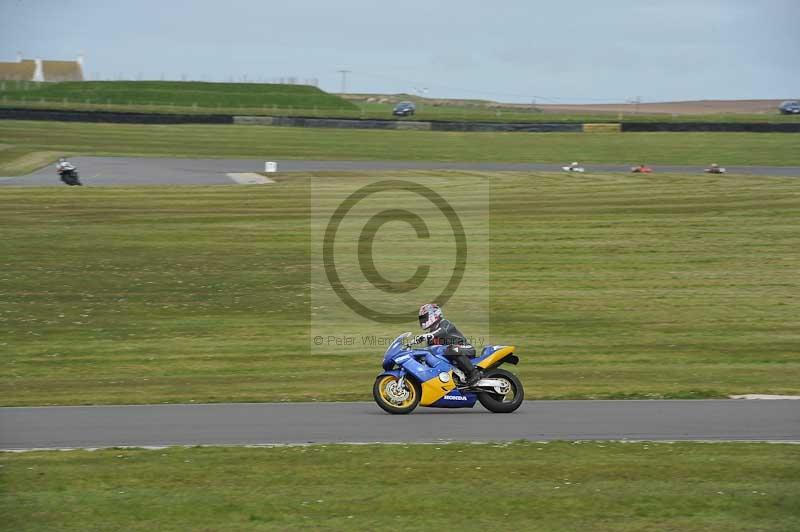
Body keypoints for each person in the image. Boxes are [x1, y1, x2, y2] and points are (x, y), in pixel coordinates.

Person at [411, 303, 482, 386]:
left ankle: (474, 373)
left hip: (465, 348)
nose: (423, 321)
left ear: (434, 314)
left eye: (424, 317)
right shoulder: (431, 334)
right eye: (422, 318)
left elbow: (442, 331)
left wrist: (427, 336)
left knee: (451, 349)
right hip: (450, 353)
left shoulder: (445, 323)